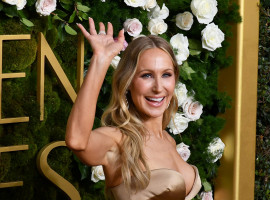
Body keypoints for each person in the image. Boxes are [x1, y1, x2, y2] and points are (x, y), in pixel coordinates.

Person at [65, 18, 202, 200]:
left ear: (174, 79)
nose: (158, 87)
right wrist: (101, 60)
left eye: (166, 75)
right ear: (128, 82)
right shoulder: (117, 140)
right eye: (146, 75)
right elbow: (77, 141)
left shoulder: (169, 140)